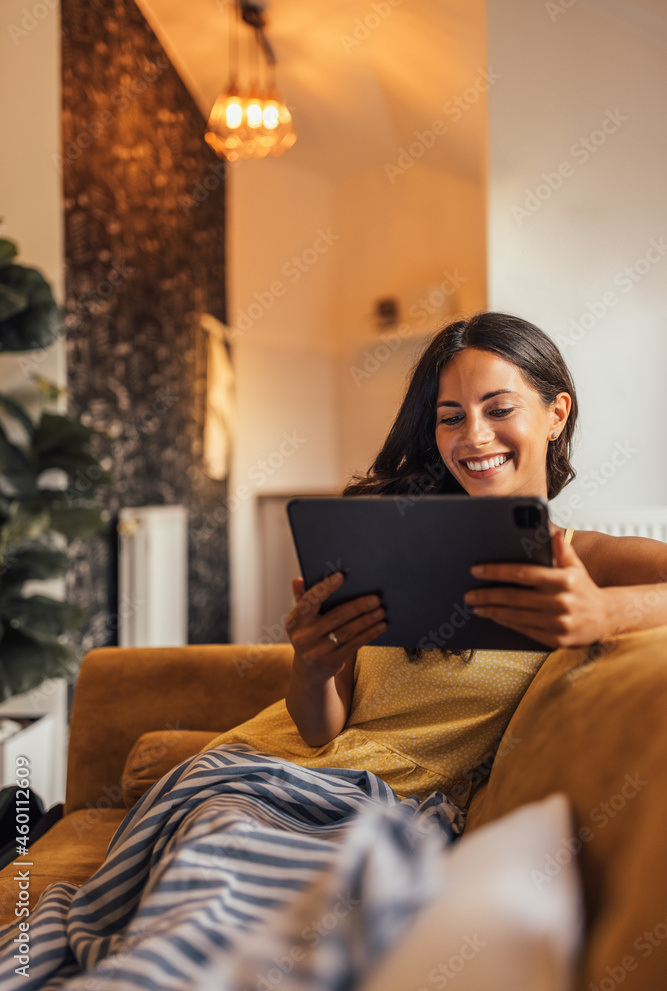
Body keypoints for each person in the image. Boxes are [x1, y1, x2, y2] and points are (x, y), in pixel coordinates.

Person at [203, 310, 667, 807]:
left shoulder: (587, 559)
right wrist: (311, 668)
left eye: (499, 409)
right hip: (265, 772)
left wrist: (605, 612)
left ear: (557, 414)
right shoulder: (385, 533)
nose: (473, 435)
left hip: (375, 808)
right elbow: (319, 732)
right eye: (451, 418)